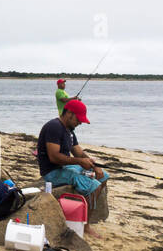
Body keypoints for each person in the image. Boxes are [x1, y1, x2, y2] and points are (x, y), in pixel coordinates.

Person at [36, 99, 109, 235]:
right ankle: (85, 227)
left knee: (104, 176)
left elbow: (78, 152)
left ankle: (88, 215)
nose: (80, 122)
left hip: (65, 168)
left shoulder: (69, 130)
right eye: (78, 119)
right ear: (69, 114)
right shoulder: (54, 127)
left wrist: (93, 165)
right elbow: (54, 157)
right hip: (53, 172)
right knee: (94, 186)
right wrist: (80, 162)